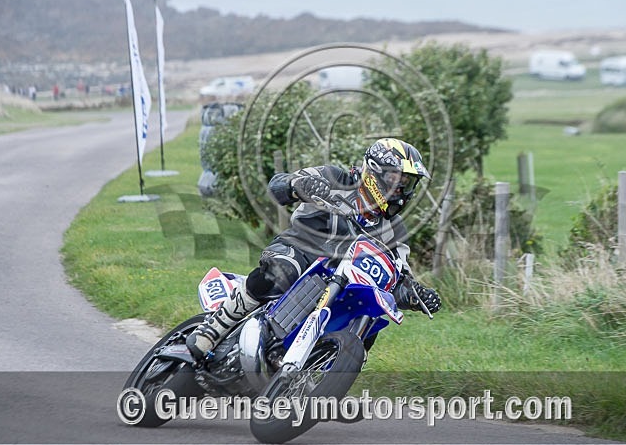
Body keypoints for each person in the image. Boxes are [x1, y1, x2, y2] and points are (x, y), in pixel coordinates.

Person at [186, 138, 442, 361]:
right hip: (301, 248)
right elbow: (278, 185)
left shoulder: (394, 229)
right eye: (398, 181)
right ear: (376, 173)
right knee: (282, 270)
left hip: (343, 282)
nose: (402, 191)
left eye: (408, 185)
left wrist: (414, 294)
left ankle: (327, 381)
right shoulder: (335, 178)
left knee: (371, 316)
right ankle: (214, 328)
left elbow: (396, 275)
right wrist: (299, 186)